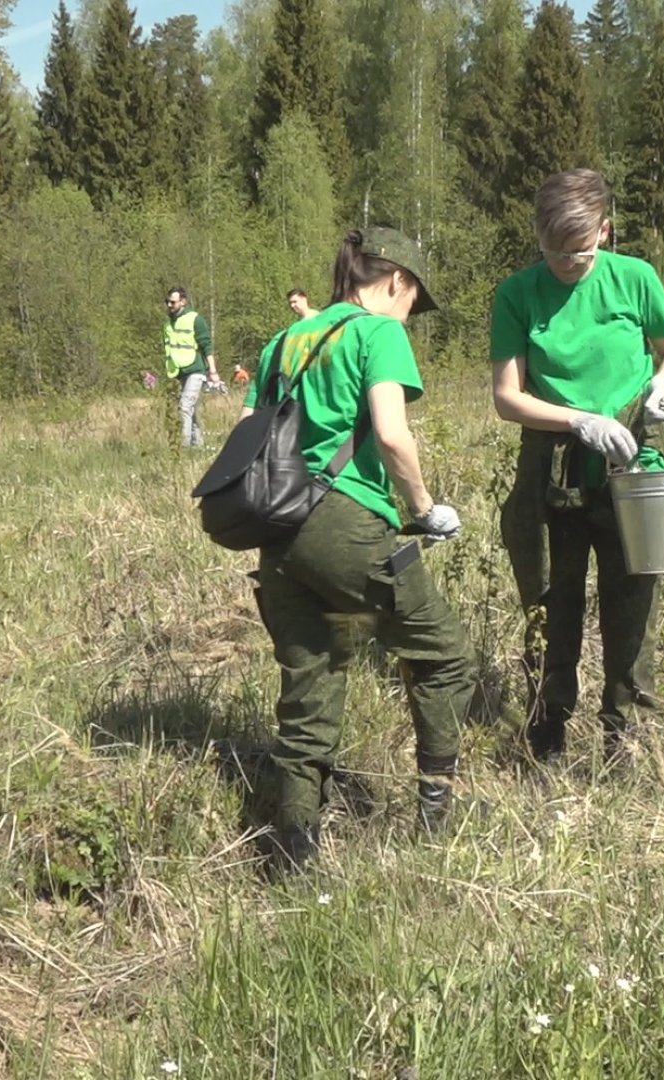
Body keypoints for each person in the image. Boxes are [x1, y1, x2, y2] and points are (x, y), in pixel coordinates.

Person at [243, 228, 474, 876]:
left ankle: (292, 856)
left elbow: (249, 438)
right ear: (395, 280)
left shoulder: (282, 342)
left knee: (309, 689)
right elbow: (393, 437)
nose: (411, 318)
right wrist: (423, 511)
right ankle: (435, 817)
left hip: (277, 532)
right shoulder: (377, 333)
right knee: (447, 656)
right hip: (343, 524)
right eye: (413, 303)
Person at [490, 169, 664, 767]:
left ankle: (622, 735)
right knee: (552, 601)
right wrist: (577, 421)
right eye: (553, 251)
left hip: (634, 464)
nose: (566, 264)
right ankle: (548, 728)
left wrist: (662, 381)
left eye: (578, 252)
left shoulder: (636, 279)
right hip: (551, 469)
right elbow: (508, 396)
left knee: (633, 603)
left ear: (604, 231)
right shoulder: (517, 293)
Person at [164, 286, 216, 447]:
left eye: (172, 302)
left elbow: (206, 345)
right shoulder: (167, 324)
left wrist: (212, 371)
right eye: (167, 302)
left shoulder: (195, 319)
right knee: (190, 410)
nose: (169, 305)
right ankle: (198, 445)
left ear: (183, 302)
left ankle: (183, 448)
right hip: (177, 371)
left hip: (195, 370)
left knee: (184, 407)